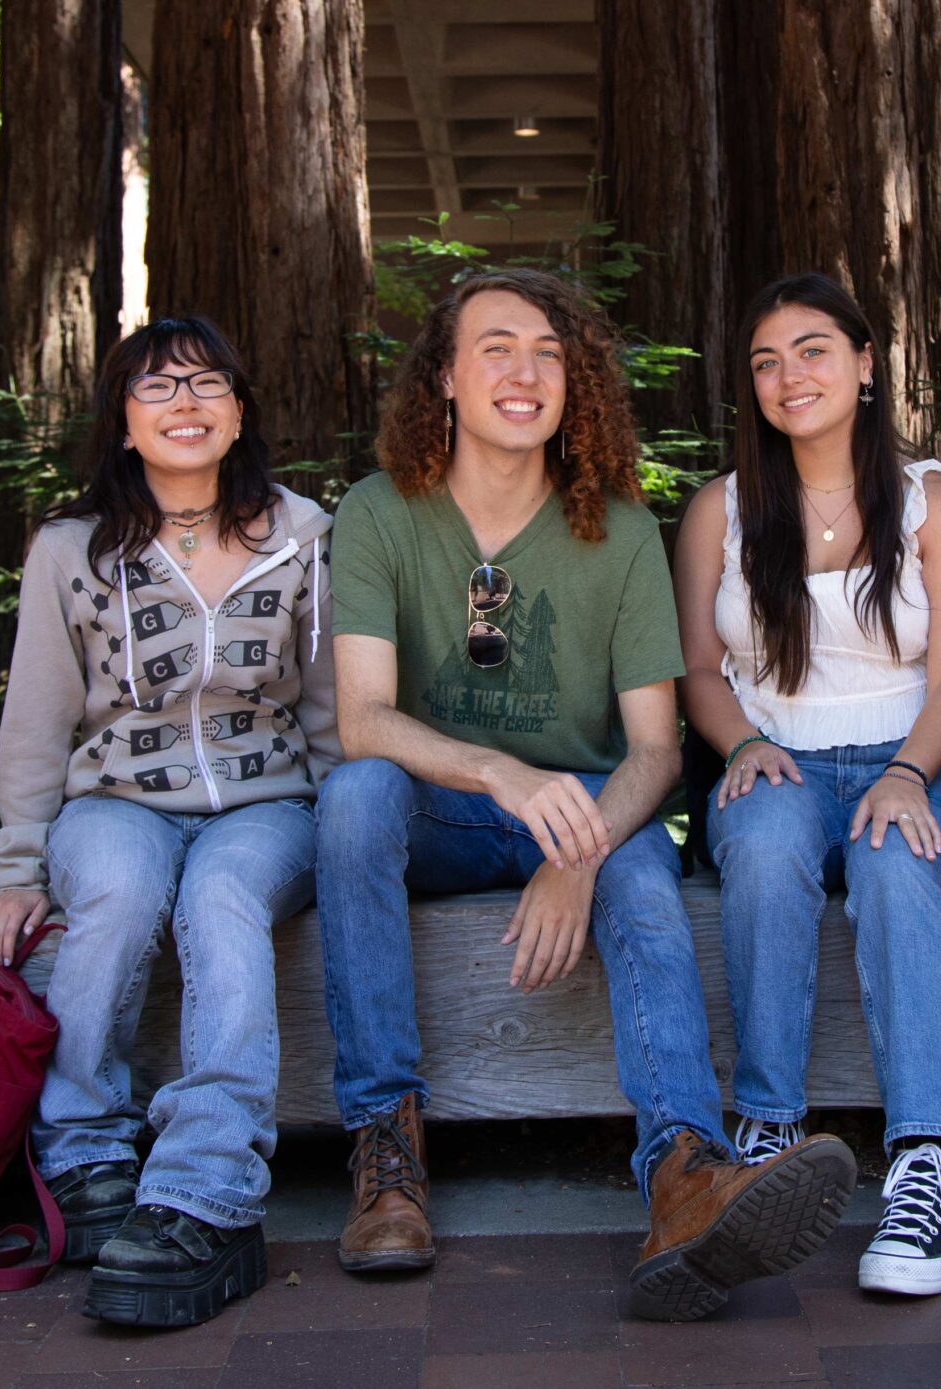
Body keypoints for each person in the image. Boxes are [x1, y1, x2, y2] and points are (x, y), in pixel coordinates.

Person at [315, 267, 857, 1321]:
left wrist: (575, 854)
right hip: (450, 803)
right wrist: (501, 773)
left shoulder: (612, 524)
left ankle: (683, 1176)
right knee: (352, 800)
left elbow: (655, 752)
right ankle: (387, 1150)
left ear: (576, 387)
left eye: (549, 354)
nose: (525, 373)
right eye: (498, 348)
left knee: (643, 888)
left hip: (587, 812)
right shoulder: (381, 511)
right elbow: (363, 720)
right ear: (445, 381)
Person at [0, 316, 340, 1328]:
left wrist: (350, 830)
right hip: (115, 805)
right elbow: (39, 721)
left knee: (221, 895)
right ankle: (84, 1151)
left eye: (206, 383)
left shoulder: (304, 537)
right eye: (156, 389)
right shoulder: (70, 550)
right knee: (124, 888)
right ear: (122, 426)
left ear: (239, 413)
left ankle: (207, 1190)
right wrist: (18, 868)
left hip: (266, 806)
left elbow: (327, 708)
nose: (184, 403)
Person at [673, 274, 941, 1297]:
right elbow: (699, 673)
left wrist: (906, 774)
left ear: (864, 363)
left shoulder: (934, 501)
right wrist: (735, 747)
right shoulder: (720, 510)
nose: (787, 377)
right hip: (774, 756)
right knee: (765, 850)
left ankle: (922, 1168)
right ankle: (765, 1133)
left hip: (922, 757)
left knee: (896, 867)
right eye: (765, 362)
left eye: (811, 350)